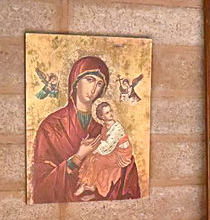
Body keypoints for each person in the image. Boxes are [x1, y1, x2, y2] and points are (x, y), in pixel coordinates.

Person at [30, 56, 141, 203]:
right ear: (75, 82)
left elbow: (127, 171)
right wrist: (77, 157)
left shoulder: (106, 126)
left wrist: (103, 190)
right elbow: (41, 184)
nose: (94, 88)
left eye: (100, 84)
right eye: (89, 80)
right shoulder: (51, 126)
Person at [73, 100, 134, 199]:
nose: (110, 114)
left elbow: (107, 144)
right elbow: (101, 138)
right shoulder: (105, 126)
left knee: (97, 160)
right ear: (101, 117)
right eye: (107, 113)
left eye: (110, 111)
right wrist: (89, 142)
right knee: (90, 157)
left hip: (121, 153)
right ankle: (86, 184)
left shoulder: (117, 128)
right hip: (112, 149)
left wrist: (92, 150)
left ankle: (88, 184)